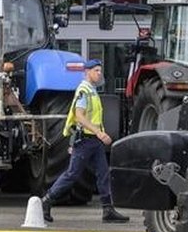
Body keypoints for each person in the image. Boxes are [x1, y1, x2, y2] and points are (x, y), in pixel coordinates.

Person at [41, 59, 130, 223]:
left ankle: (108, 210)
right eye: (96, 70)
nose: (99, 73)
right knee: (72, 174)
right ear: (87, 72)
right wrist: (99, 133)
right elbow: (79, 116)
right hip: (85, 141)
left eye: (100, 70)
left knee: (103, 174)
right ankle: (47, 201)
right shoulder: (83, 90)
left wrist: (99, 134)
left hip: (94, 141)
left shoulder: (92, 91)